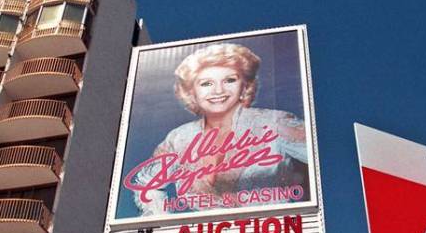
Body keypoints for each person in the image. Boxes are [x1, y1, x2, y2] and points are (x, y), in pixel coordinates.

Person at [125, 42, 310, 216]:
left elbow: (318, 160)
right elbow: (145, 184)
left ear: (245, 86)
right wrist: (163, 223)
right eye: (206, 83)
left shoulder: (273, 122)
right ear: (191, 92)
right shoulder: (179, 138)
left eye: (229, 80)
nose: (218, 91)